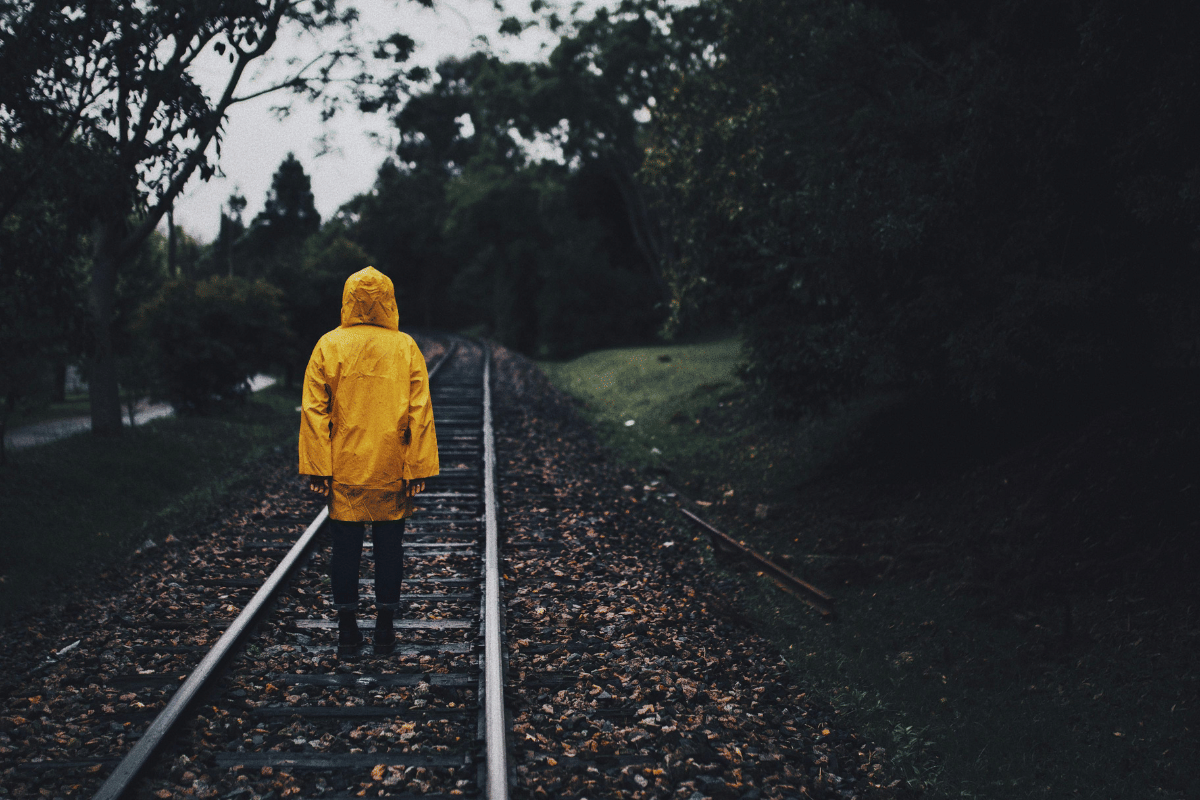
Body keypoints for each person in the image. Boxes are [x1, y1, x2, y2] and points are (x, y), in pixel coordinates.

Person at [298, 266, 439, 655]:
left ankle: (346, 631)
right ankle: (385, 629)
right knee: (389, 546)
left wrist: (317, 467)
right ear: (389, 300)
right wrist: (419, 466)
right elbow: (420, 410)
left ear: (348, 298)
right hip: (391, 465)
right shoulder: (406, 347)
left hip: (345, 468)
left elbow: (314, 409)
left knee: (345, 547)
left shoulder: (328, 344)